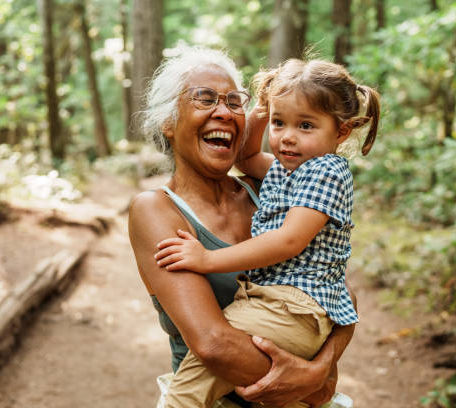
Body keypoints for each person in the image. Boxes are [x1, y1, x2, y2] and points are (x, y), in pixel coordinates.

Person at [128, 47, 356, 408]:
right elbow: (214, 345)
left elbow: (341, 293)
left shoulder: (270, 189)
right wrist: (314, 385)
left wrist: (321, 369)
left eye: (235, 102)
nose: (223, 111)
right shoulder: (156, 209)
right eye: (204, 99)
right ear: (168, 123)